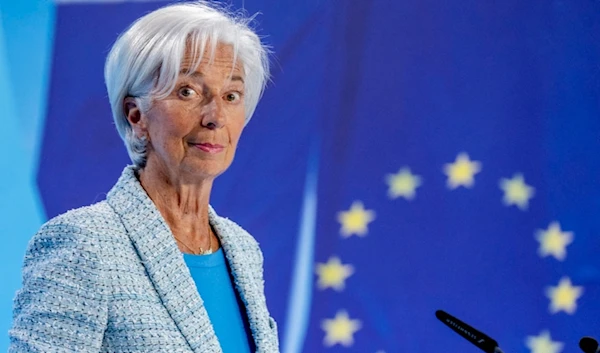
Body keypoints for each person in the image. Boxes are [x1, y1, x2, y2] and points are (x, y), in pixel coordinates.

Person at [9, 2, 279, 352]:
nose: (216, 117)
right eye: (188, 91)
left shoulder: (243, 251)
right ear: (136, 116)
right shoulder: (83, 243)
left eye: (231, 96)